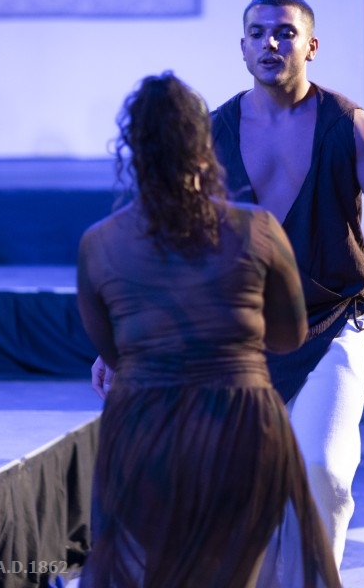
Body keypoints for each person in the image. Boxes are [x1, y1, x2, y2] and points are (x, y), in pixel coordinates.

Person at [213, 0, 364, 577]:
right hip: (247, 336)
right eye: (258, 33)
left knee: (321, 468)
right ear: (242, 47)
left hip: (335, 323)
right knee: (243, 489)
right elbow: (180, 242)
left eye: (286, 32)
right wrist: (123, 341)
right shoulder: (213, 133)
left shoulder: (351, 127)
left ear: (311, 46)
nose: (271, 43)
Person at [76, 73, 341, 588]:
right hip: (239, 424)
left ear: (134, 151)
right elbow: (289, 337)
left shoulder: (99, 243)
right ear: (204, 147)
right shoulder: (258, 228)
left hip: (146, 427)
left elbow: (113, 353)